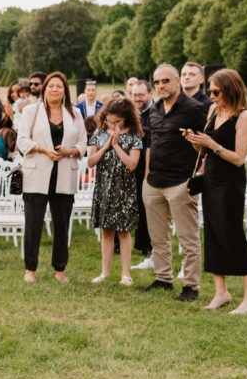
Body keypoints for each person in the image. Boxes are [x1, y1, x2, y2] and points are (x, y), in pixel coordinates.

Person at [184, 69, 247, 315]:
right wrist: (196, 142)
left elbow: (239, 158)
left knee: (233, 233)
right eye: (209, 91)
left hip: (230, 183)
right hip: (211, 179)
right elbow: (205, 151)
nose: (211, 96)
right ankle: (221, 292)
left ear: (230, 89)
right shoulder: (213, 111)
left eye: (216, 91)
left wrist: (212, 144)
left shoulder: (244, 116)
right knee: (213, 232)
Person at [139, 63, 206, 302]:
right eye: (157, 82)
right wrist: (147, 174)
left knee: (188, 239)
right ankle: (163, 278)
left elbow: (207, 143)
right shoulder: (155, 109)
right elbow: (151, 143)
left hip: (180, 182)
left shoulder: (194, 108)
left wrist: (198, 174)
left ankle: (191, 286)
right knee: (158, 237)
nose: (160, 86)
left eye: (165, 81)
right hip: (154, 182)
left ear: (177, 81)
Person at [16, 71, 87, 284]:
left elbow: (83, 143)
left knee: (62, 226)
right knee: (33, 225)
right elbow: (22, 140)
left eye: (59, 86)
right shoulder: (31, 111)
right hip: (36, 174)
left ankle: (60, 270)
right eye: (50, 86)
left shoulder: (75, 113)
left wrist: (70, 151)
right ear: (44, 89)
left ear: (65, 90)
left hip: (64, 174)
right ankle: (30, 269)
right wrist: (42, 149)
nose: (54, 89)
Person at [87, 98, 143, 286]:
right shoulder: (99, 133)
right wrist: (105, 146)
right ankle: (105, 272)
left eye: (117, 121)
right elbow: (90, 162)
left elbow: (132, 164)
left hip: (124, 189)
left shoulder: (134, 135)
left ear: (126, 118)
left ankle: (126, 274)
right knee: (106, 232)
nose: (113, 125)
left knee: (124, 232)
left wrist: (117, 145)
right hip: (104, 188)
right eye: (110, 121)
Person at [130, 80, 155, 269]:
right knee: (134, 202)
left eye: (141, 95)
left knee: (146, 203)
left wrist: (140, 130)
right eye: (134, 95)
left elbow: (152, 133)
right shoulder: (130, 111)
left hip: (150, 163)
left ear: (150, 94)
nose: (137, 98)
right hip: (131, 161)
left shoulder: (156, 111)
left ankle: (146, 244)